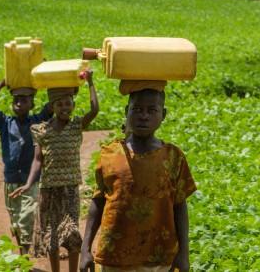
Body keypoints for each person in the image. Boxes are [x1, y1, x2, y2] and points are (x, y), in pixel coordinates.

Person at [80, 80, 196, 272]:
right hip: (114, 257)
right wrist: (86, 249)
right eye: (137, 109)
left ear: (163, 115)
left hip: (159, 257)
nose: (144, 116)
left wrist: (184, 253)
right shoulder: (110, 154)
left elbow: (180, 206)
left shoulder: (173, 157)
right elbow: (98, 202)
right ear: (127, 111)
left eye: (152, 110)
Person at [10, 70, 98, 272]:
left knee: (73, 234)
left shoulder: (77, 125)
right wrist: (28, 183)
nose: (64, 108)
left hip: (69, 189)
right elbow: (38, 160)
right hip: (48, 190)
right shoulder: (41, 130)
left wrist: (91, 82)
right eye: (59, 104)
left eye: (68, 103)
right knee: (51, 236)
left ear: (73, 106)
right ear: (52, 107)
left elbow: (94, 110)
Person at [0, 79, 52, 255]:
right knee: (15, 221)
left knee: (26, 218)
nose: (19, 104)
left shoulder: (38, 121)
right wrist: (1, 83)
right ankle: (23, 253)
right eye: (16, 101)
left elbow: (52, 104)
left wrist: (45, 79)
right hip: (11, 181)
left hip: (30, 181)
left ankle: (24, 256)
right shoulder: (5, 123)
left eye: (24, 101)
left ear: (32, 104)